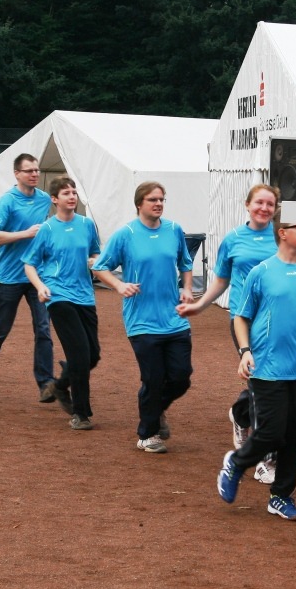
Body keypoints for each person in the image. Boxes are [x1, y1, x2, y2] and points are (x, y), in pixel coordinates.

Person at [217, 217, 296, 521]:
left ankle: (280, 496)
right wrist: (244, 352)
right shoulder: (262, 272)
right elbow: (241, 317)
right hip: (267, 366)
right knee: (271, 432)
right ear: (282, 232)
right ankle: (237, 464)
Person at [177, 184, 280, 482]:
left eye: (270, 204)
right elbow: (221, 280)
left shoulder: (282, 236)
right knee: (262, 381)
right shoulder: (233, 239)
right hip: (244, 319)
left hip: (277, 320)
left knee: (270, 383)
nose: (264, 208)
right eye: (259, 202)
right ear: (247, 205)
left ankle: (240, 413)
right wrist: (199, 306)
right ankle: (265, 458)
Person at [92, 181, 194, 454]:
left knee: (182, 377)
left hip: (174, 317)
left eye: (161, 199)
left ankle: (155, 409)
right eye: (152, 199)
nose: (158, 204)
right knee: (153, 379)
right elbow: (100, 266)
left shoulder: (174, 230)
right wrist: (119, 285)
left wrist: (186, 288)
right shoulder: (125, 235)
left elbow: (185, 263)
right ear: (139, 204)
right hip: (141, 321)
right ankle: (147, 434)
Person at [0, 154, 57, 403]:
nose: (34, 174)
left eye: (36, 170)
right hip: (10, 276)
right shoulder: (7, 201)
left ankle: (46, 383)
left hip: (37, 276)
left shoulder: (44, 199)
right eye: (29, 170)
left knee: (43, 328)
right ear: (17, 174)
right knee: (1, 328)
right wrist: (25, 234)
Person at [23, 177, 102, 430]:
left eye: (74, 192)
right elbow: (29, 264)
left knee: (92, 356)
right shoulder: (47, 229)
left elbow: (95, 252)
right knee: (79, 355)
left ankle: (59, 385)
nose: (72, 197)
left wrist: (95, 261)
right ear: (55, 199)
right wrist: (40, 286)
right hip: (58, 296)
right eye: (66, 193)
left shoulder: (87, 225)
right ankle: (81, 414)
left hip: (85, 296)